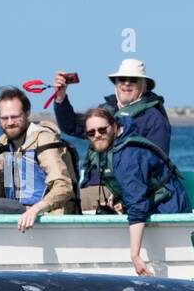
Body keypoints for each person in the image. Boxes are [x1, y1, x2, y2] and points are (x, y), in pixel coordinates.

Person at [51, 58, 172, 213]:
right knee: (54, 198)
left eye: (133, 80)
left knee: (62, 204)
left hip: (122, 191)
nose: (126, 84)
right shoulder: (105, 111)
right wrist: (61, 97)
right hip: (93, 186)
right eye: (122, 79)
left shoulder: (154, 119)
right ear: (115, 83)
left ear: (144, 85)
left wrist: (124, 199)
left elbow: (155, 166)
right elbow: (71, 126)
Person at [82, 107, 191, 276]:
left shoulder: (127, 156)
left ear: (114, 125)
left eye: (102, 129)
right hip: (153, 202)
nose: (97, 135)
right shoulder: (115, 144)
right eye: (91, 133)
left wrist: (134, 254)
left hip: (169, 210)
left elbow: (138, 205)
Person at [0, 87, 79, 229]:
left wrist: (36, 210)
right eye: (4, 118)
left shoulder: (44, 140)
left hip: (46, 216)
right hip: (16, 215)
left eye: (15, 117)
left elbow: (64, 186)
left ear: (27, 113)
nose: (10, 122)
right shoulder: (4, 142)